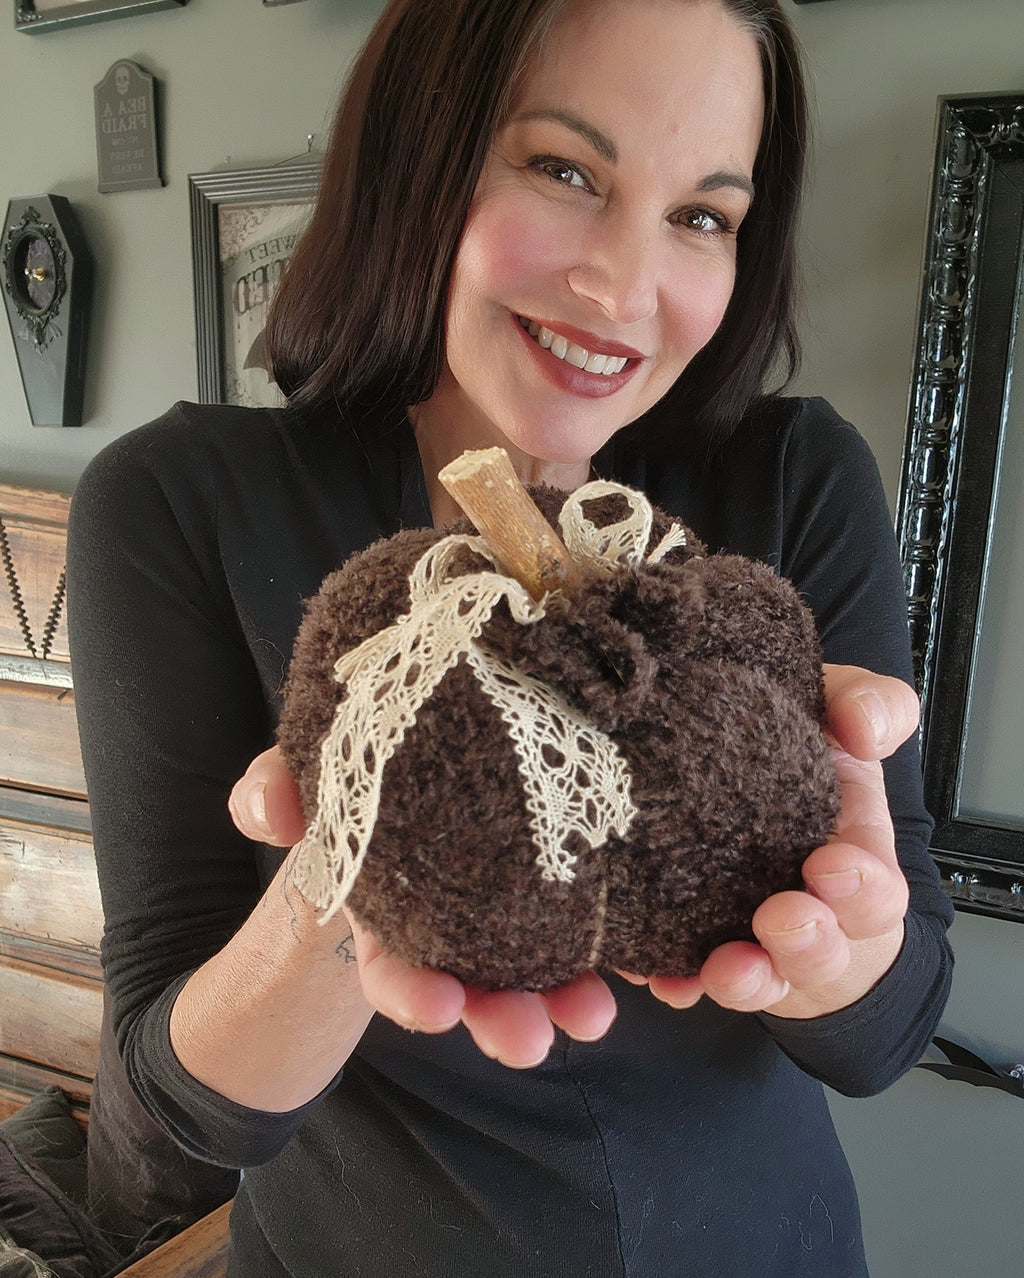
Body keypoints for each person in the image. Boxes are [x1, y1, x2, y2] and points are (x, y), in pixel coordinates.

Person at [66, 0, 954, 1273]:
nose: (625, 286)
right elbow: (167, 1133)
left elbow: (885, 1031)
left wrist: (843, 946)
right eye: (563, 168)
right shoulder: (180, 502)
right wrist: (344, 881)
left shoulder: (793, 481)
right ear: (417, 161)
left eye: (701, 214)